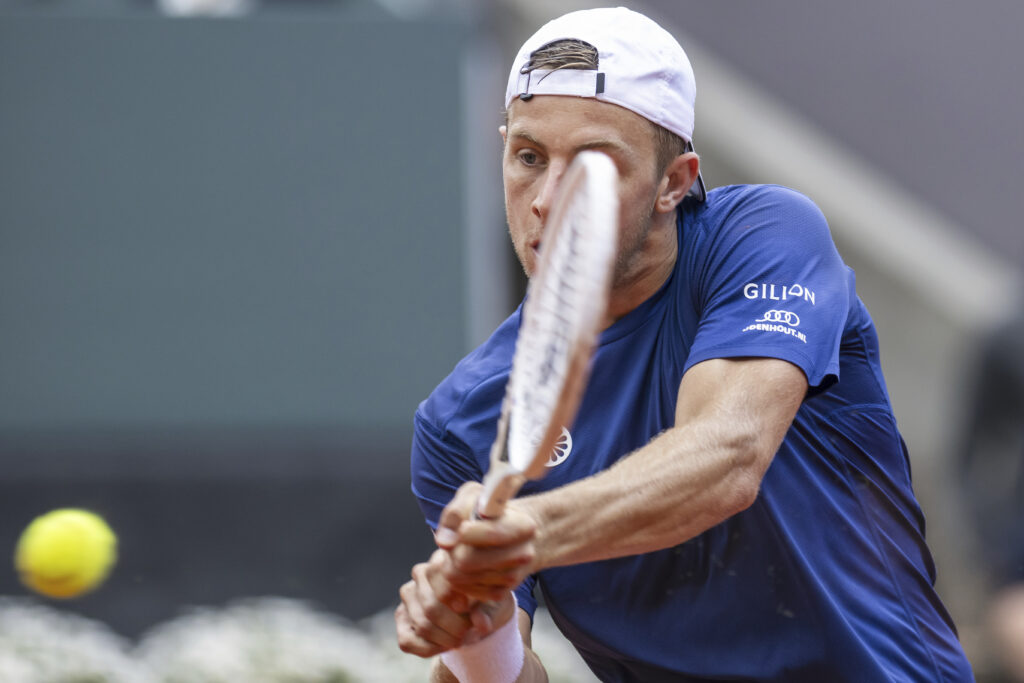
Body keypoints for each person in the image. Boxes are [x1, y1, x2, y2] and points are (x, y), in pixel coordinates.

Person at [395, 7, 975, 682]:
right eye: (528, 157)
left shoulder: (763, 236)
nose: (548, 199)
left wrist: (519, 535)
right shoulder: (459, 418)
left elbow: (726, 456)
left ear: (674, 181)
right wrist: (475, 632)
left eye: (593, 166)